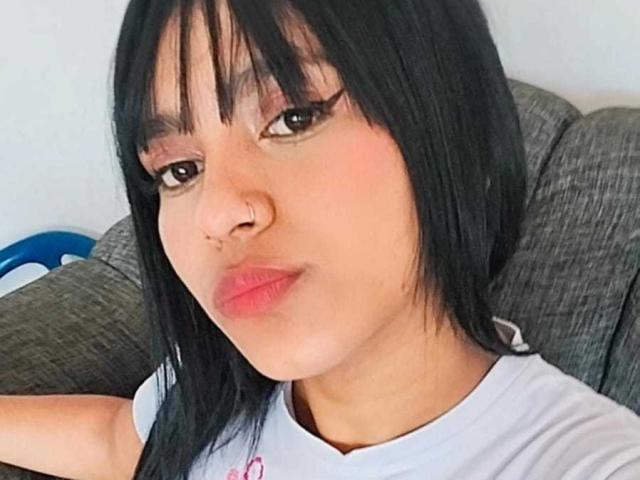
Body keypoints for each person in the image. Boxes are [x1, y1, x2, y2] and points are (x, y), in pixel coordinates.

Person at [1, 0, 639, 479]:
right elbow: (119, 442)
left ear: (453, 124)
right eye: (179, 170)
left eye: (293, 117)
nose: (215, 213)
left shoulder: (588, 462)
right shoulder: (215, 384)